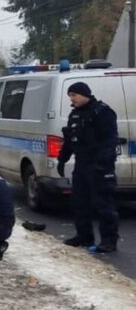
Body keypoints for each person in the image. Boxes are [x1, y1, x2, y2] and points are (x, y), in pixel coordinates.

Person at [56, 81, 119, 253]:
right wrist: (62, 159)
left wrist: (103, 163)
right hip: (82, 164)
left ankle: (109, 240)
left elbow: (110, 141)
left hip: (100, 166)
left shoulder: (102, 112)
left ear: (85, 94)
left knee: (103, 204)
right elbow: (70, 140)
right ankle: (84, 236)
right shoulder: (75, 114)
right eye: (70, 96)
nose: (71, 99)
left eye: (74, 95)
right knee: (79, 202)